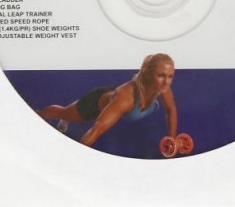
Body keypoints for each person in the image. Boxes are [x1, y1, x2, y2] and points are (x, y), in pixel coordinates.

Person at [36, 53, 178, 148]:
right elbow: (96, 130)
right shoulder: (126, 98)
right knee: (64, 113)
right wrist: (77, 158)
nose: (167, 81)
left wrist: (172, 140)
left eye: (170, 76)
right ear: (148, 74)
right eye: (161, 75)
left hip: (111, 98)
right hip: (94, 104)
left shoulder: (162, 88)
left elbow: (171, 110)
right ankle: (37, 115)